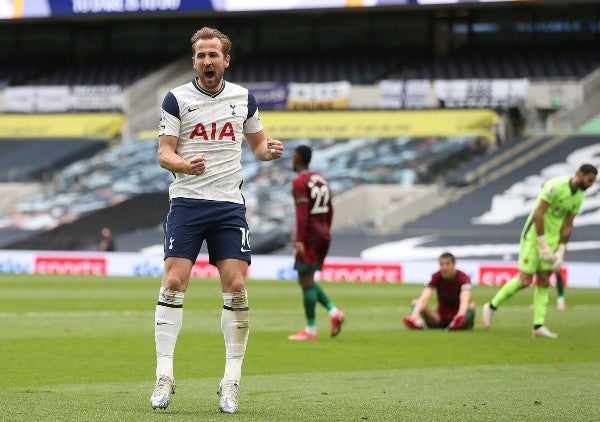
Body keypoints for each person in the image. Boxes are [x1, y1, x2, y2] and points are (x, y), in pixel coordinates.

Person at [150, 27, 284, 414]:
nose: (207, 61)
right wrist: (184, 165)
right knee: (174, 282)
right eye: (201, 56)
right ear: (194, 61)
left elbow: (257, 144)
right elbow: (164, 154)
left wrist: (268, 150)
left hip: (229, 205)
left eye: (214, 55)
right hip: (188, 202)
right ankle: (164, 374)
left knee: (237, 287)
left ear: (226, 59)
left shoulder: (244, 98)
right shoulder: (176, 98)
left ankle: (231, 382)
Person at [482, 164, 598, 338]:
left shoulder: (579, 197)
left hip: (552, 241)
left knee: (544, 280)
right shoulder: (556, 186)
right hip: (533, 237)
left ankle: (538, 326)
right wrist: (542, 242)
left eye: (593, 182)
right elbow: (539, 213)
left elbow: (568, 224)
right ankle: (491, 306)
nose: (590, 185)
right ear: (580, 175)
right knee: (525, 280)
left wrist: (561, 248)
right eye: (589, 180)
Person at [287, 145, 345, 341]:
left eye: (292, 157)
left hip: (310, 236)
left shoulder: (299, 182)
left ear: (297, 158)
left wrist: (299, 240)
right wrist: (326, 230)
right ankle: (333, 312)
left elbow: (302, 214)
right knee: (306, 279)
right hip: (323, 234)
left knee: (306, 280)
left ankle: (311, 330)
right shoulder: (321, 178)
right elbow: (330, 209)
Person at [402, 252, 475, 331]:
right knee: (416, 302)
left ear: (454, 264)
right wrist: (415, 315)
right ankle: (417, 322)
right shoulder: (436, 276)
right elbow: (425, 297)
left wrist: (460, 315)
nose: (444, 268)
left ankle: (458, 321)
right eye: (441, 264)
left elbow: (465, 298)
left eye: (447, 264)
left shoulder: (463, 277)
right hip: (440, 317)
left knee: (471, 305)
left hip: (459, 314)